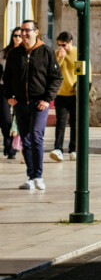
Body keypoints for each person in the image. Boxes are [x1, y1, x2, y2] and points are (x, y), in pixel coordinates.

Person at [3, 20, 61, 191]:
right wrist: (9, 96)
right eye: (22, 31)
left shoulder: (47, 52)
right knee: (25, 140)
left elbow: (56, 78)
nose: (24, 34)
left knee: (36, 136)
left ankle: (39, 176)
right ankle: (31, 176)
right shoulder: (15, 54)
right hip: (20, 103)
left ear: (36, 32)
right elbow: (7, 78)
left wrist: (46, 99)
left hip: (39, 104)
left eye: (27, 31)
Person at [51, 32, 78, 161]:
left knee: (74, 123)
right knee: (60, 123)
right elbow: (54, 70)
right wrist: (61, 57)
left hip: (74, 95)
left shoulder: (78, 53)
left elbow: (83, 70)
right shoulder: (57, 54)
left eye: (64, 45)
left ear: (70, 42)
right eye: (59, 45)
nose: (62, 47)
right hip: (61, 94)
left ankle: (73, 149)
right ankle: (58, 149)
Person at [1, 27, 20, 159]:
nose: (17, 38)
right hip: (3, 88)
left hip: (19, 89)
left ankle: (13, 147)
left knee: (17, 119)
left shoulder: (26, 52)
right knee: (5, 119)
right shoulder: (4, 53)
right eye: (15, 35)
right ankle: (7, 143)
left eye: (19, 35)